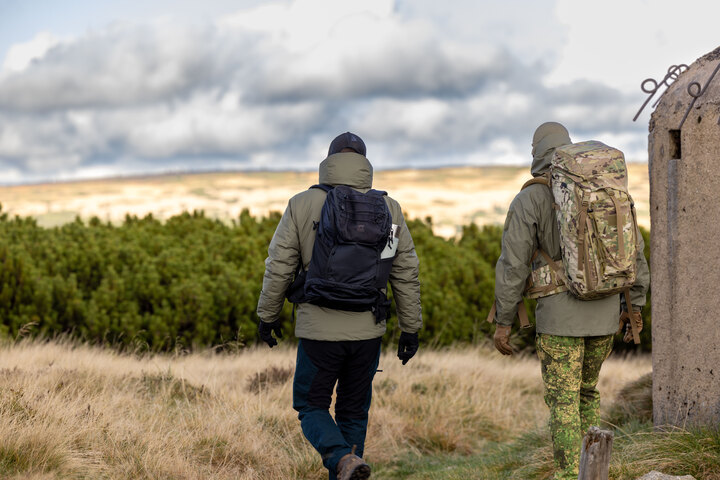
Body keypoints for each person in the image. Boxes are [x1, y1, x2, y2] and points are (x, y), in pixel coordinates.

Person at [256, 132, 422, 480]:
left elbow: (280, 266)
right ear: (364, 163)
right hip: (367, 331)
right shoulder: (388, 209)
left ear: (329, 161)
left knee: (311, 405)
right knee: (353, 413)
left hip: (319, 330)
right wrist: (410, 328)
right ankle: (349, 464)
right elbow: (404, 271)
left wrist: (267, 317)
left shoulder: (301, 204)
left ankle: (340, 459)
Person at [492, 122, 650, 479]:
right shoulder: (605, 187)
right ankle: (593, 472)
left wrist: (504, 321)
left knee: (563, 404)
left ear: (536, 153)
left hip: (559, 322)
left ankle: (568, 476)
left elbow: (512, 265)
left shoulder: (530, 198)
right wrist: (633, 308)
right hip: (606, 314)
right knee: (588, 394)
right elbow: (635, 253)